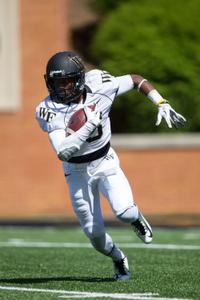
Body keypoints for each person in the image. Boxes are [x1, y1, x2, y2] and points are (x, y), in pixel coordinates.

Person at [35, 51, 186, 281]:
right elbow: (63, 151)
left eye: (66, 82)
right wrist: (88, 124)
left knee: (124, 212)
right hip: (76, 172)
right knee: (95, 236)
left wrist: (160, 102)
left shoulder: (99, 84)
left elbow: (136, 80)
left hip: (105, 161)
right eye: (57, 83)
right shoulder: (48, 110)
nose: (62, 88)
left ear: (79, 80)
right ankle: (118, 258)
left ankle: (136, 218)